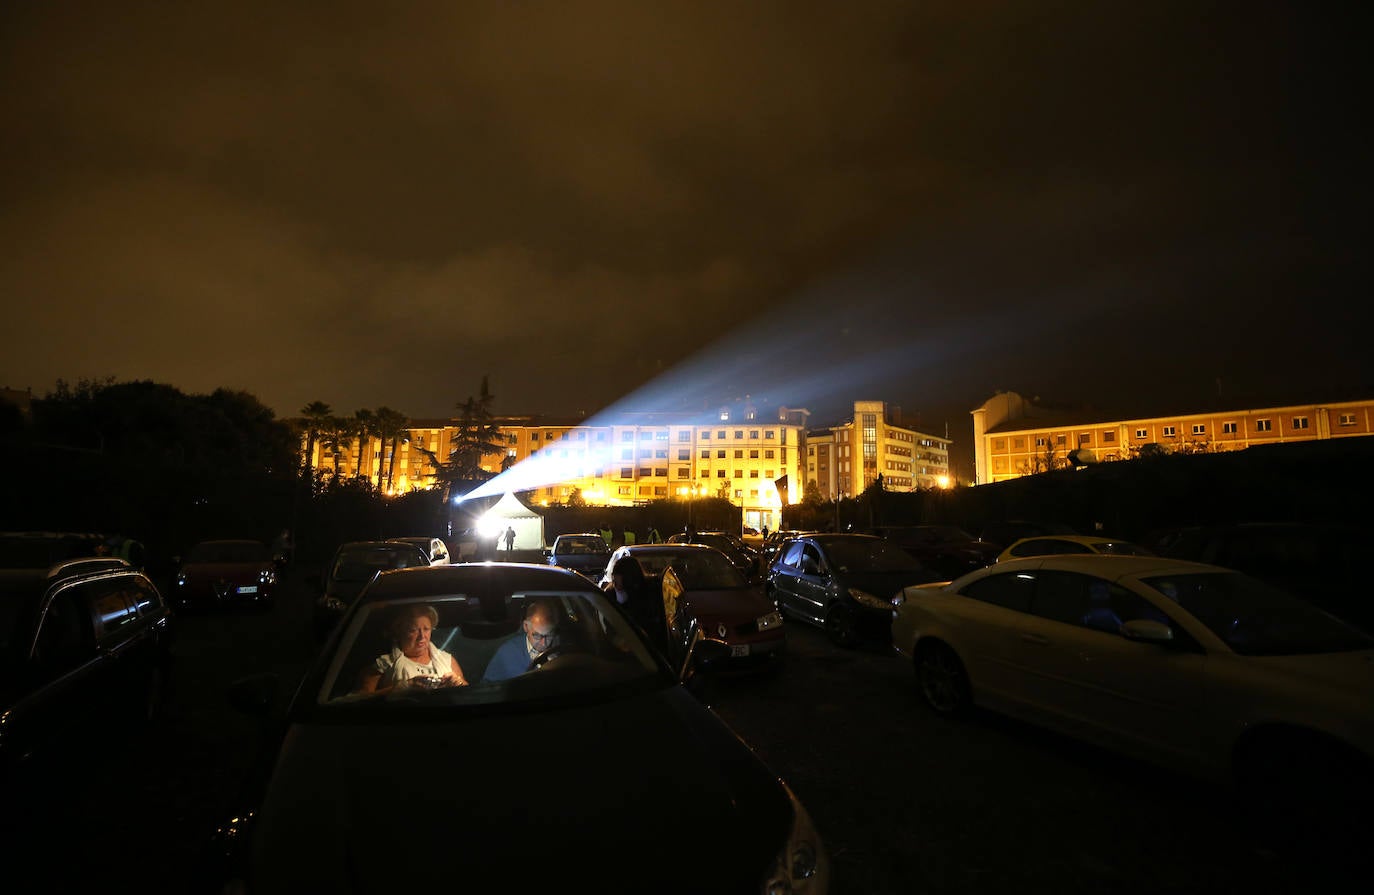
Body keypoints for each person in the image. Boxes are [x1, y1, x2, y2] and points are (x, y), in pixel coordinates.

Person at [355, 604, 468, 693]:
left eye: (426, 629)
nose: (422, 637)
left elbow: (467, 694)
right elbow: (359, 700)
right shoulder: (384, 665)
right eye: (413, 630)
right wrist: (405, 686)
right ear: (399, 630)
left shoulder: (447, 661)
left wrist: (458, 683)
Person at [481, 600, 562, 682]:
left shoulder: (562, 648)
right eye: (537, 635)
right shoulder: (507, 653)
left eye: (549, 635)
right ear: (526, 626)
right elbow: (486, 687)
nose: (544, 643)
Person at [607, 555, 663, 646]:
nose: (614, 580)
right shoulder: (611, 593)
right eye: (614, 575)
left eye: (618, 576)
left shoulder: (649, 591)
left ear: (629, 577)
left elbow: (648, 621)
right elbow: (608, 623)